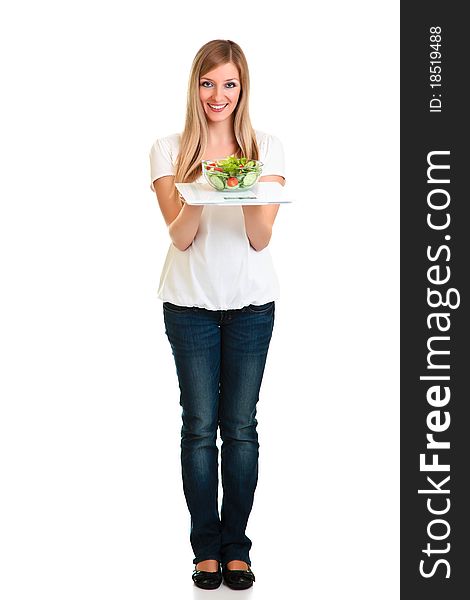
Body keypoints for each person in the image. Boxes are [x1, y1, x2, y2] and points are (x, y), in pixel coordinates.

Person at [149, 39, 286, 590]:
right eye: (209, 83)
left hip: (252, 305)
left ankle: (238, 548)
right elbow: (180, 238)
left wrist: (246, 183)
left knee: (242, 428)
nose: (218, 95)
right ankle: (205, 548)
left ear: (242, 88)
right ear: (195, 87)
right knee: (200, 428)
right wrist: (203, 187)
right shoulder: (168, 150)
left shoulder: (266, 148)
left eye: (229, 84)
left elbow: (259, 238)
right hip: (190, 306)